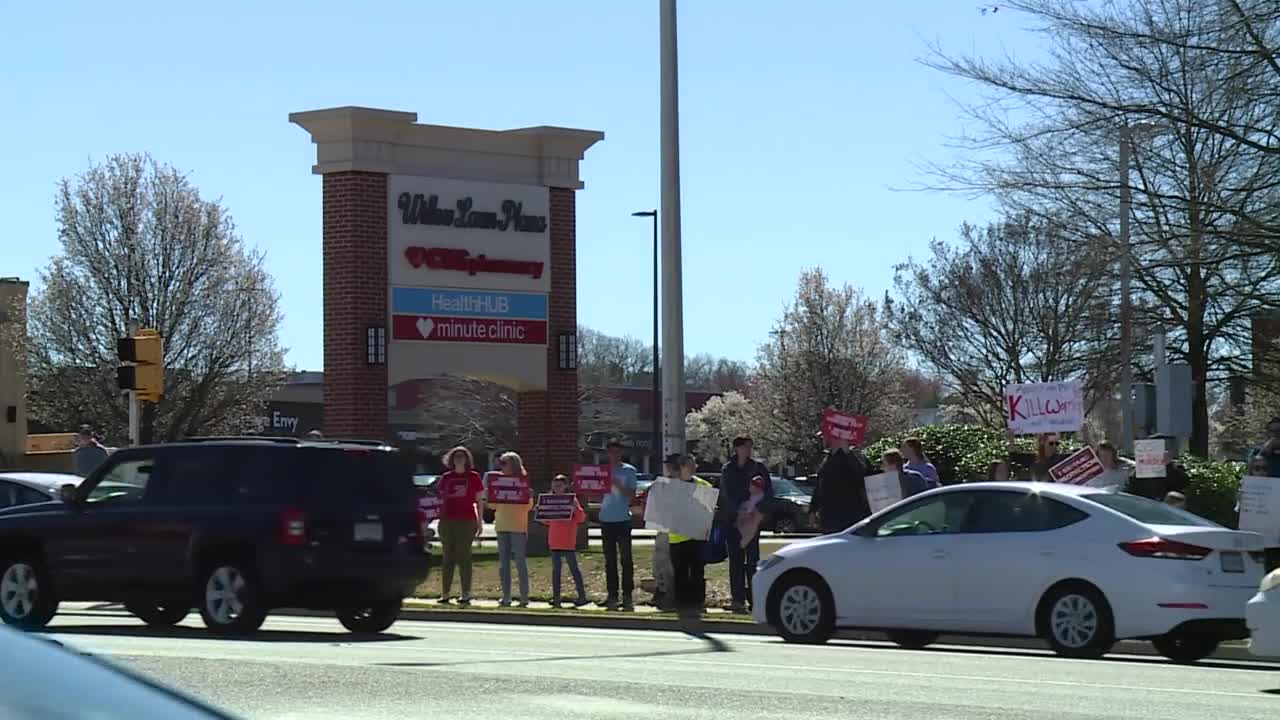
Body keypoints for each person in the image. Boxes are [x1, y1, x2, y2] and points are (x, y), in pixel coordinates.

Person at [718, 437, 774, 613]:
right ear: (737, 448)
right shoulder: (728, 469)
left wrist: (757, 510)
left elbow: (768, 492)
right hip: (733, 520)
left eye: (750, 447)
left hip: (753, 521)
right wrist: (737, 511)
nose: (748, 450)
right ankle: (737, 599)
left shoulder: (758, 467)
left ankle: (754, 599)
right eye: (744, 447)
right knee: (735, 560)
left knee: (752, 561)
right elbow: (725, 493)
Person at [436, 446, 485, 605]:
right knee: (447, 557)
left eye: (462, 456)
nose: (459, 459)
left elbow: (479, 501)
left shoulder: (473, 477)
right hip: (446, 520)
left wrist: (480, 522)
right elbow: (439, 499)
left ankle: (466, 593)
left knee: (464, 557)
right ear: (451, 459)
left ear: (467, 459)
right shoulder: (446, 477)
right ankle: (445, 594)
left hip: (466, 520)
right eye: (456, 456)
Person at [667, 454, 712, 616]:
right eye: (689, 465)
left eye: (695, 465)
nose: (693, 468)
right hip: (677, 536)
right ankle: (682, 603)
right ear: (681, 467)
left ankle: (698, 602)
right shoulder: (670, 486)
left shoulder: (703, 485)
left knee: (697, 571)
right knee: (680, 572)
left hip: (697, 535)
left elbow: (709, 510)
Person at [599, 439, 637, 610]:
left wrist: (617, 484)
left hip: (622, 520)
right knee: (610, 561)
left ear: (621, 453)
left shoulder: (629, 471)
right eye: (611, 452)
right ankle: (612, 595)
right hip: (605, 520)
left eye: (617, 452)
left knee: (626, 560)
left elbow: (631, 495)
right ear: (607, 453)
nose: (614, 455)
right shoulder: (601, 470)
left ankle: (627, 596)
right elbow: (595, 495)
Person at [809, 432, 871, 533]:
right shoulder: (827, 458)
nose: (823, 439)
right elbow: (820, 486)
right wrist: (813, 510)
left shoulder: (854, 456)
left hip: (849, 517)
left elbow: (862, 476)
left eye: (826, 436)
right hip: (828, 516)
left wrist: (847, 452)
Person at [541, 474, 588, 608]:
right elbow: (546, 521)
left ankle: (582, 596)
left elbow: (581, 518)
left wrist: (575, 509)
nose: (557, 488)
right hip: (554, 540)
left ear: (566, 486)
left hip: (568, 541)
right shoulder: (548, 499)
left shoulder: (571, 500)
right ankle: (556, 598)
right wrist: (541, 512)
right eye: (555, 485)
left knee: (574, 570)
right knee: (556, 572)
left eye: (560, 485)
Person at [493, 451, 533, 608]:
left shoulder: (523, 482)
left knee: (520, 562)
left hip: (518, 526)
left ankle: (524, 597)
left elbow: (528, 506)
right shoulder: (497, 482)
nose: (501, 466)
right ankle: (506, 596)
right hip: (501, 525)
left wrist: (528, 496)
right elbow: (492, 505)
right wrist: (490, 495)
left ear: (514, 465)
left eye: (504, 463)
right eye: (500, 463)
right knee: (503, 563)